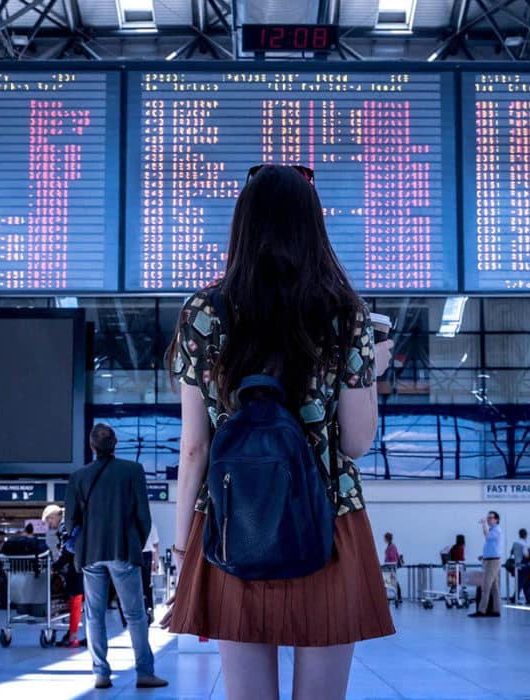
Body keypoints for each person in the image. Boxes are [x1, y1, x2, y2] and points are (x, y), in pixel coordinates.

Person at [162, 164, 395, 700]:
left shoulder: (204, 312)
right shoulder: (346, 314)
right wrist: (368, 373)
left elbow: (195, 446)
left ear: (242, 225)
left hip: (232, 521)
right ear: (312, 226)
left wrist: (181, 548)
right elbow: (356, 443)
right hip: (329, 522)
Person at [64, 423, 167, 690]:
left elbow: (70, 521)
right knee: (135, 614)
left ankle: (101, 673)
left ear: (91, 446)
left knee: (94, 615)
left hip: (90, 554)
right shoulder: (132, 471)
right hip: (123, 549)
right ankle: (144, 672)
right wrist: (135, 543)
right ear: (116, 443)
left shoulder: (79, 476)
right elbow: (143, 516)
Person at [41, 504, 84, 647]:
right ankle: (74, 633)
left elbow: (68, 549)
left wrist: (56, 566)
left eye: (49, 521)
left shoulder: (65, 525)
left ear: (53, 517)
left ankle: (73, 636)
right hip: (83, 563)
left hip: (76, 566)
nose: (49, 525)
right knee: (78, 600)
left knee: (75, 599)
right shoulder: (72, 521)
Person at [470, 511, 502, 618]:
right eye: (488, 518)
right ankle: (496, 610)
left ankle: (481, 611)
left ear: (496, 520)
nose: (488, 520)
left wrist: (483, 525)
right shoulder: (493, 530)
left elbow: (487, 537)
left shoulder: (496, 530)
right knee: (494, 587)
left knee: (485, 586)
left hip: (492, 562)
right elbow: (492, 547)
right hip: (489, 560)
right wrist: (483, 556)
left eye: (491, 518)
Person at [141, 522, 159, 625]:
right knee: (147, 585)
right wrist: (155, 563)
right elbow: (156, 546)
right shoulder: (151, 525)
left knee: (138, 585)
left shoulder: (132, 522)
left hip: (137, 555)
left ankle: (143, 610)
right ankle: (149, 609)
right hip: (147, 556)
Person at [510, 528, 530, 605]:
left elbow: (511, 552)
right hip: (524, 566)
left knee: (524, 582)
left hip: (517, 565)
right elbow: (526, 555)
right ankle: (516, 598)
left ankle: (529, 598)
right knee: (523, 583)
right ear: (525, 535)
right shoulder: (524, 544)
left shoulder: (515, 543)